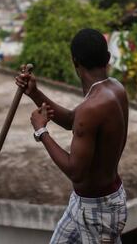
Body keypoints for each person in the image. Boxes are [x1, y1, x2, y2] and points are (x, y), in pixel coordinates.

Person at [15, 28, 128, 243]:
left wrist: (41, 131)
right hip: (84, 202)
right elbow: (70, 121)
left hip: (98, 210)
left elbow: (76, 172)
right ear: (108, 58)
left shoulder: (92, 107)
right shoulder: (115, 89)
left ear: (75, 62)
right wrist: (35, 93)